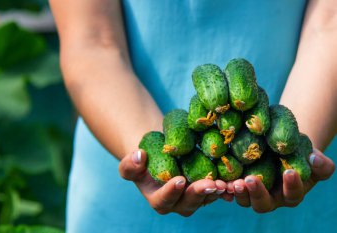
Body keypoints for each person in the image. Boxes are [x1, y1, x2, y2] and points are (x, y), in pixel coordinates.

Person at [49, 0, 336, 232]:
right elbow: (92, 40)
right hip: (122, 173)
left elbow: (331, 20)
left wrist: (297, 146)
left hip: (306, 137)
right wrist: (151, 155)